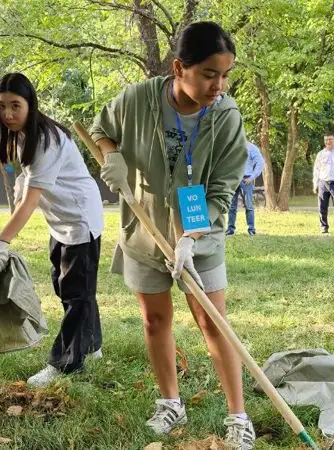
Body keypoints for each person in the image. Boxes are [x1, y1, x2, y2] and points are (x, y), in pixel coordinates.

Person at [90, 21, 255, 449]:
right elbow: (100, 130)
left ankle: (238, 415)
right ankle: (171, 404)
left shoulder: (226, 117)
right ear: (180, 67)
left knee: (212, 322)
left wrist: (191, 237)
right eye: (208, 74)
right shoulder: (137, 99)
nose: (218, 85)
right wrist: (112, 158)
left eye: (225, 75)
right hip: (144, 232)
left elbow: (221, 190)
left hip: (200, 236)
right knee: (155, 319)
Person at [0, 73, 104, 388]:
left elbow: (29, 206)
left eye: (16, 105)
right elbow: (30, 175)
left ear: (30, 104)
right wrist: (23, 183)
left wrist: (0, 242)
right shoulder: (24, 133)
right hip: (60, 218)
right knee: (66, 286)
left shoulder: (46, 139)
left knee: (77, 293)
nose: (8, 114)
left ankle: (65, 364)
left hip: (80, 217)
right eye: (2, 106)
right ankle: (91, 345)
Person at [226, 142, 264, 236]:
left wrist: (252, 177)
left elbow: (260, 162)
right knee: (231, 206)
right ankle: (230, 229)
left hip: (246, 179)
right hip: (234, 179)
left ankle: (251, 229)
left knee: (249, 205)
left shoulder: (251, 147)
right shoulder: (232, 146)